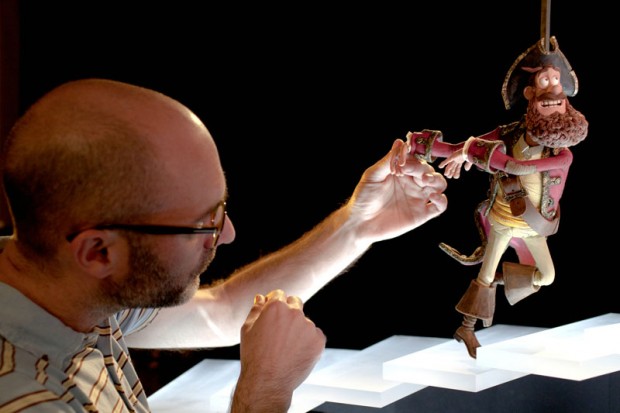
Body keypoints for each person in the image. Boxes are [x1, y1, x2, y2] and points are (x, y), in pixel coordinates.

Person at [0, 78, 448, 412]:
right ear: (98, 252)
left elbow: (222, 312)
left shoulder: (72, 289)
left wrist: (358, 224)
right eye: (204, 223)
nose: (228, 234)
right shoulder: (24, 395)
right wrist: (264, 392)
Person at [406, 36, 588, 359]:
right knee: (484, 274)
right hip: (503, 219)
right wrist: (431, 146)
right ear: (530, 94)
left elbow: (515, 165)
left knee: (547, 277)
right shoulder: (509, 133)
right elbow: (463, 146)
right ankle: (466, 327)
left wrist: (476, 153)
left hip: (534, 226)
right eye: (545, 81)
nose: (554, 89)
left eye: (557, 81)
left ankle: (501, 279)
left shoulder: (562, 155)